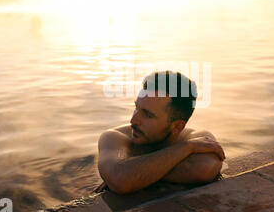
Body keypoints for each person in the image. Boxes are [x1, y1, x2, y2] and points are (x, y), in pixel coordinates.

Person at [96, 70, 225, 195]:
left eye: (147, 115)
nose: (133, 121)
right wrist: (187, 148)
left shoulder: (196, 138)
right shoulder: (115, 136)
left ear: (177, 127)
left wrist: (133, 175)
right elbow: (120, 179)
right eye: (136, 108)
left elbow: (204, 168)